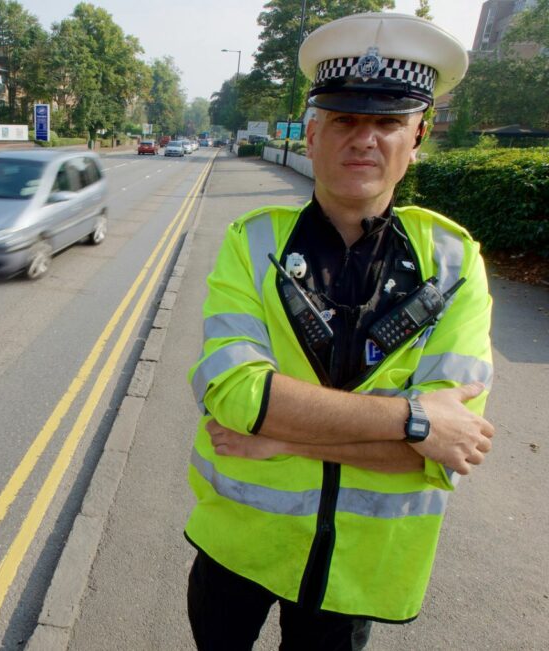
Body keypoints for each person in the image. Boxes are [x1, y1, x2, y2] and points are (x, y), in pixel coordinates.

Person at [185, 13, 494, 649]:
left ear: (418, 136)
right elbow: (239, 398)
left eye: (388, 123)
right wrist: (417, 420)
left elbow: (448, 456)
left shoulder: (457, 261)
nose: (365, 140)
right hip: (236, 549)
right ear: (312, 131)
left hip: (357, 572)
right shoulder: (254, 242)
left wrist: (287, 440)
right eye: (347, 120)